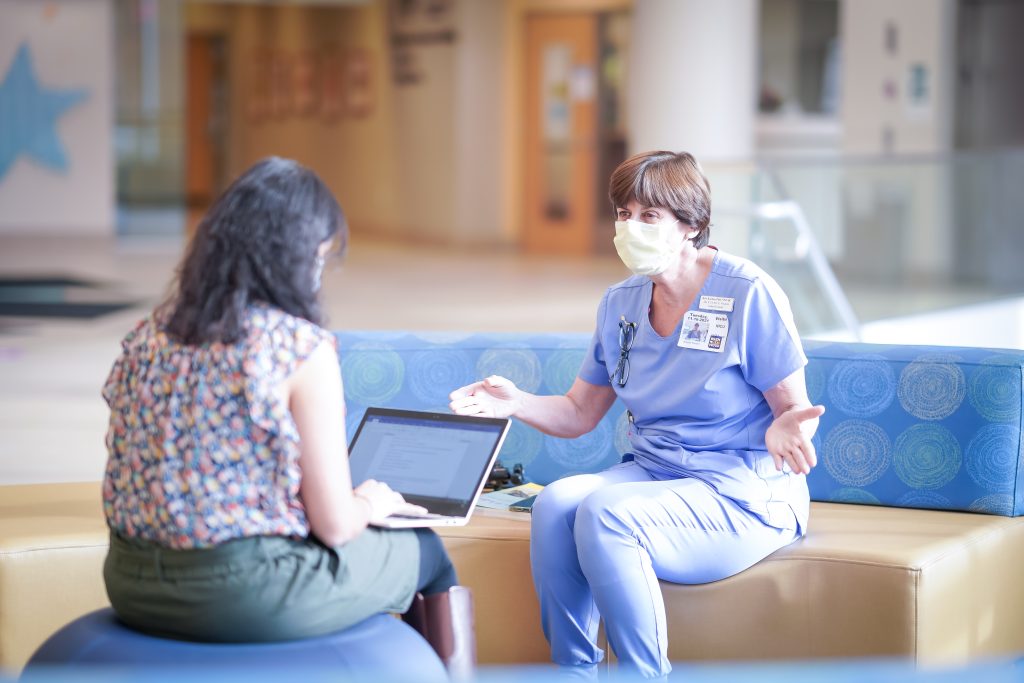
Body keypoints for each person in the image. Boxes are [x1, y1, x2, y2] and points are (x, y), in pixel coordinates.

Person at [449, 150, 824, 678]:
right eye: (623, 215)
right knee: (555, 505)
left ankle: (642, 676)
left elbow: (795, 411)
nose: (629, 227)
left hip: (741, 491)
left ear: (690, 224)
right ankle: (575, 670)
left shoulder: (747, 293)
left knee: (607, 513)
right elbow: (580, 412)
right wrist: (516, 403)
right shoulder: (620, 303)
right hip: (655, 473)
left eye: (649, 216)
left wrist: (786, 425)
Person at [101, 157, 474, 678]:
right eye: (320, 259)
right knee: (425, 550)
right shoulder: (297, 346)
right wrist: (369, 498)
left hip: (130, 580)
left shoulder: (148, 333)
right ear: (295, 257)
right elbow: (335, 524)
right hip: (242, 594)